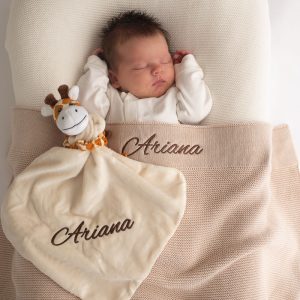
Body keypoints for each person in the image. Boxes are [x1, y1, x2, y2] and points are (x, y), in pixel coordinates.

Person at [77, 10, 212, 124]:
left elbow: (198, 111)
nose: (157, 70)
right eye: (140, 67)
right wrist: (97, 68)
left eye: (165, 61)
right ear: (114, 78)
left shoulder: (174, 98)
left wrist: (185, 69)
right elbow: (87, 111)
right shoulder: (111, 99)